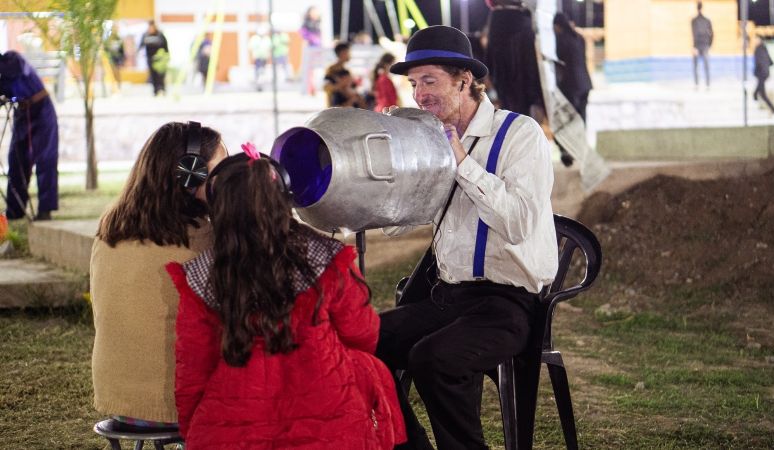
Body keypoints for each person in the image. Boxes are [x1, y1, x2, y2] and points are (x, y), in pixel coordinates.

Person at [377, 25, 558, 450]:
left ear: (463, 81)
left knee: (433, 359)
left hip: (506, 303)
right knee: (361, 343)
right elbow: (397, 225)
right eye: (414, 84)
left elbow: (518, 223)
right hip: (447, 297)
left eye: (430, 81)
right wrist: (389, 172)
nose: (419, 95)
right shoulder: (430, 139)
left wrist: (462, 162)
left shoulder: (520, 134)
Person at [165, 150, 407, 448]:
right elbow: (363, 334)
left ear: (219, 209)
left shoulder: (203, 277)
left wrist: (195, 429)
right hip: (331, 422)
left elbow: (193, 368)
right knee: (372, 370)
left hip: (231, 428)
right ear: (284, 197)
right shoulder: (327, 259)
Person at [91, 122, 228, 429]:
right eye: (220, 169)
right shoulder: (203, 238)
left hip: (119, 400)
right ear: (190, 175)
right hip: (175, 406)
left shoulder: (108, 230)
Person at [0, 50, 59, 221]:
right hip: (22, 114)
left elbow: (13, 73)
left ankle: (45, 210)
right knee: (16, 161)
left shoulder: (13, 59)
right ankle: (14, 211)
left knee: (45, 161)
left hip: (41, 111)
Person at [485, 0, 544, 120]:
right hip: (525, 88)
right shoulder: (525, 21)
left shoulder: (497, 20)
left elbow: (490, 60)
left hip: (505, 86)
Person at [553, 12, 593, 124]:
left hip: (572, 85)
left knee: (573, 118)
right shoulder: (579, 38)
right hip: (585, 83)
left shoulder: (562, 39)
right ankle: (583, 139)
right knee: (582, 116)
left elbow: (561, 59)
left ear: (557, 25)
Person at [753, 36, 774, 119]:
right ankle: (755, 98)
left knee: (762, 93)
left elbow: (760, 62)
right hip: (764, 73)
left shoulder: (759, 49)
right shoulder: (763, 48)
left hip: (762, 73)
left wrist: (759, 71)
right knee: (760, 92)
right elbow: (770, 61)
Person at [139, 20, 169, 96]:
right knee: (153, 75)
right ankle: (155, 90)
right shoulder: (145, 35)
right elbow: (141, 45)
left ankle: (161, 89)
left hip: (159, 59)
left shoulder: (159, 34)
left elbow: (165, 46)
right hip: (150, 58)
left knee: (160, 75)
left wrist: (166, 56)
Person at [299, 6, 322, 95]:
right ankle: (311, 89)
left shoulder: (317, 23)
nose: (316, 14)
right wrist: (313, 39)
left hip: (318, 49)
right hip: (310, 49)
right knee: (309, 71)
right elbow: (303, 34)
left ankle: (314, 88)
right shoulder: (306, 24)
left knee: (316, 70)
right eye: (314, 12)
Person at [691, 1, 713, 88]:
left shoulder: (703, 20)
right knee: (701, 66)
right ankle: (700, 84)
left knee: (702, 66)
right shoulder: (695, 20)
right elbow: (694, 34)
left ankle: (704, 84)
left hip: (702, 45)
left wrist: (695, 46)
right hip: (702, 45)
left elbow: (694, 34)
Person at [324, 42, 352, 106]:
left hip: (347, 106)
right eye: (348, 52)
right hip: (336, 107)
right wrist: (341, 84)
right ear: (342, 53)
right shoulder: (331, 70)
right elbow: (326, 87)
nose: (350, 55)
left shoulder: (346, 71)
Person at [105, 24, 126, 92]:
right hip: (111, 57)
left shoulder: (119, 38)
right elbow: (106, 48)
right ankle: (114, 87)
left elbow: (122, 50)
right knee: (113, 72)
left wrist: (123, 59)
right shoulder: (109, 39)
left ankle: (118, 86)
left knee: (117, 72)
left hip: (118, 58)